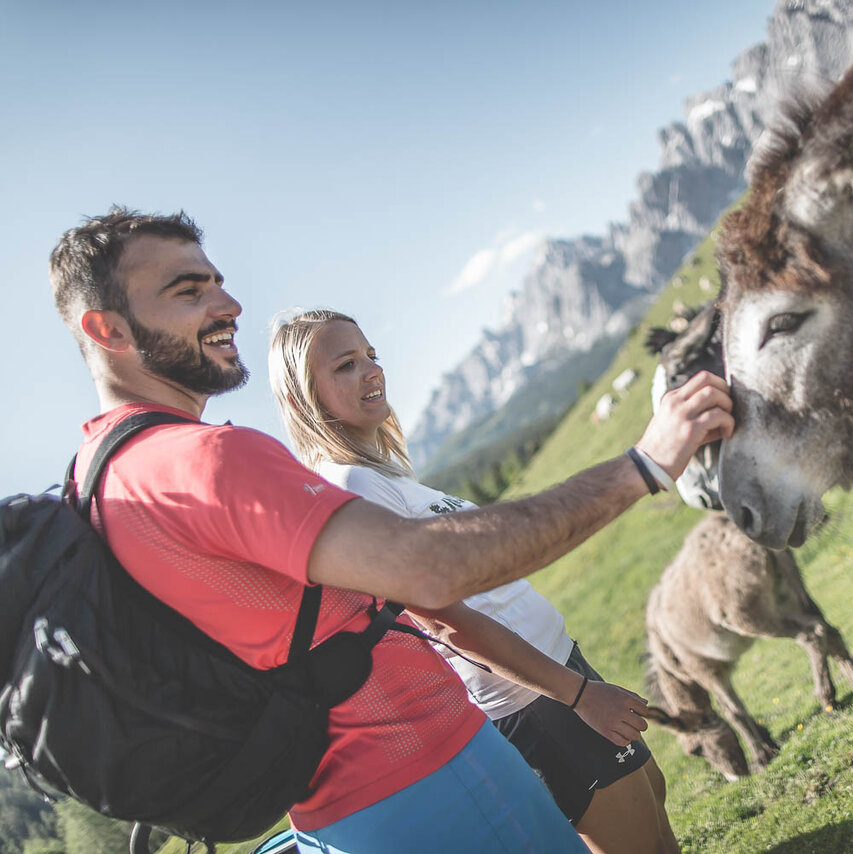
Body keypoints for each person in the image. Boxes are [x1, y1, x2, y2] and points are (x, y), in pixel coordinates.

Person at [49, 207, 733, 853]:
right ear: (106, 330)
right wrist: (640, 467)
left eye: (219, 284)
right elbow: (429, 577)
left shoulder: (100, 479)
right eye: (187, 290)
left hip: (348, 803)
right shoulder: (203, 459)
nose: (228, 305)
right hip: (424, 771)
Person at [268, 308, 680, 853]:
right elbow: (444, 622)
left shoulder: (380, 475)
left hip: (555, 673)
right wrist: (578, 695)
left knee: (652, 802)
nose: (371, 371)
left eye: (372, 355)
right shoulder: (350, 485)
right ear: (304, 399)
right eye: (346, 365)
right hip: (531, 700)